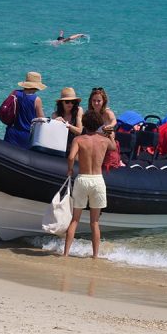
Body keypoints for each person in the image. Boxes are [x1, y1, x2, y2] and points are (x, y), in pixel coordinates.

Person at [63, 111, 116, 258]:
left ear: (84, 124)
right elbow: (114, 148)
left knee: (75, 219)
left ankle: (66, 253)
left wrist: (70, 169)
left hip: (82, 178)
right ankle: (95, 255)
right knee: (94, 222)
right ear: (99, 124)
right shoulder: (104, 141)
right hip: (97, 180)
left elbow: (71, 156)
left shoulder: (79, 140)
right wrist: (109, 133)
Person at [3, 71, 47, 149]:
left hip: (11, 132)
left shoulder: (14, 93)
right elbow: (41, 119)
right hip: (25, 136)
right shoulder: (37, 100)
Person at [86, 86, 120, 170]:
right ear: (90, 101)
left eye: (99, 101)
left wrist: (110, 126)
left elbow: (114, 121)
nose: (96, 103)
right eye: (94, 100)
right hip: (94, 146)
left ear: (103, 101)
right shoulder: (89, 114)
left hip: (108, 147)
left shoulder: (107, 112)